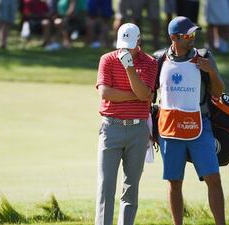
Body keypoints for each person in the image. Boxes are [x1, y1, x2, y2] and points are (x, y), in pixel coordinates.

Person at [156, 16, 225, 225]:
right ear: (174, 37)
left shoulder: (204, 56)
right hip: (169, 129)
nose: (193, 38)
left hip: (201, 126)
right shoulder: (159, 59)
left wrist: (210, 70)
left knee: (213, 179)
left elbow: (219, 92)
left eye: (194, 33)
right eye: (189, 35)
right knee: (174, 182)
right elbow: (150, 94)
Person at [95, 23, 158, 225]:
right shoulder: (107, 59)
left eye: (130, 45)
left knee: (131, 188)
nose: (125, 49)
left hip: (138, 131)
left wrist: (129, 68)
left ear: (138, 41)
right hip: (111, 128)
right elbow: (106, 93)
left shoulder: (150, 62)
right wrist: (138, 96)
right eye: (123, 44)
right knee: (106, 186)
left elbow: (144, 94)